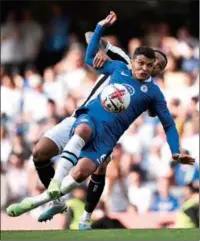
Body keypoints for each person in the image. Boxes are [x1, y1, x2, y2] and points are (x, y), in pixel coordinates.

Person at [7, 11, 194, 224]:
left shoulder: (152, 91)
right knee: (40, 152)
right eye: (151, 61)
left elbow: (165, 119)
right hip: (83, 115)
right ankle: (57, 199)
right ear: (142, 58)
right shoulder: (123, 62)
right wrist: (101, 45)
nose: (151, 67)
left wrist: (175, 150)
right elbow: (89, 41)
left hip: (106, 132)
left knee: (89, 170)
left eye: (157, 67)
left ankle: (82, 217)